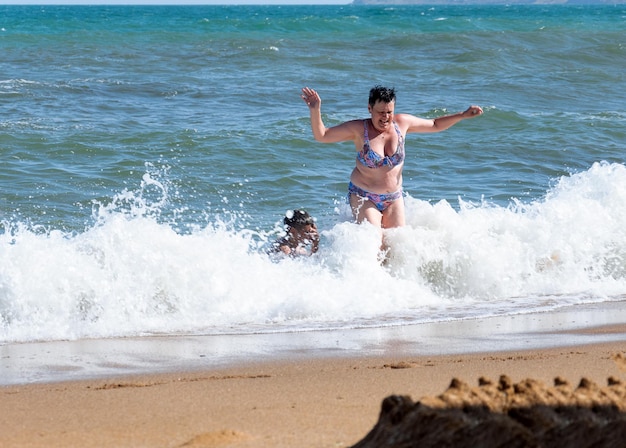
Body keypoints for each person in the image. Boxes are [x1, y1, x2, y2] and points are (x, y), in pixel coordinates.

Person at [301, 85, 483, 230]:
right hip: (365, 196)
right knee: (374, 241)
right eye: (380, 112)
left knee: (396, 246)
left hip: (394, 197)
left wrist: (462, 115)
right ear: (369, 108)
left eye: (389, 112)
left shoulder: (401, 123)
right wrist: (315, 110)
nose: (385, 117)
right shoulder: (358, 129)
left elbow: (435, 124)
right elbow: (322, 136)